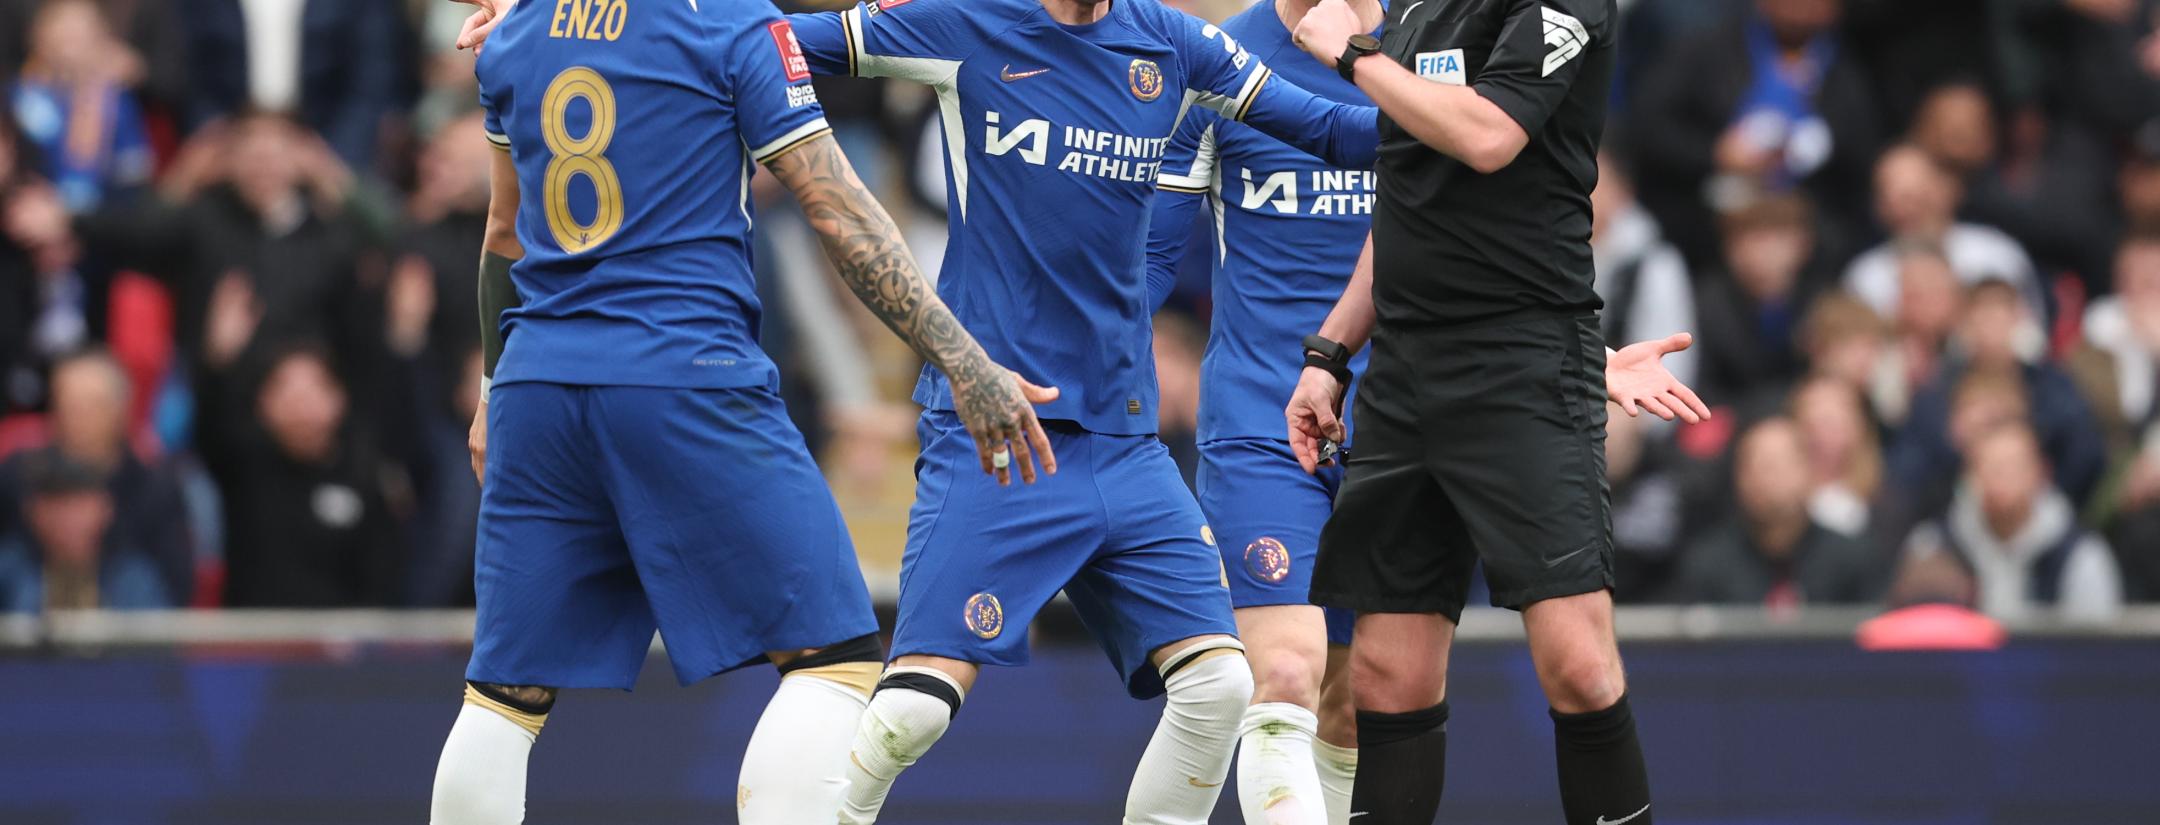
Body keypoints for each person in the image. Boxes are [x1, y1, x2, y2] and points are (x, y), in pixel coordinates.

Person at [429, 3, 1052, 824]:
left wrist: (490, 392)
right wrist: (966, 361)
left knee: (503, 692)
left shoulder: (515, 31)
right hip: (685, 379)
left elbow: (504, 233)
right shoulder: (731, 25)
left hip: (537, 388)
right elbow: (837, 209)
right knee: (835, 657)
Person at [1286, 2, 1707, 824]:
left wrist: (1353, 55)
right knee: (1385, 675)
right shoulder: (1411, 7)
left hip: (1523, 364)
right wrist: (1330, 354)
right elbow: (1406, 199)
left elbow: (1487, 137)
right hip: (1406, 373)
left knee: (1578, 663)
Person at [1141, 0, 1385, 818]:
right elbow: (1147, 258)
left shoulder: (1427, 49)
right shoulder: (1217, 60)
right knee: (1282, 675)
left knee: (1358, 702)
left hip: (1401, 423)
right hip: (1260, 416)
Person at [1898, 422, 2123, 623]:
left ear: (2040, 473)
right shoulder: (1931, 547)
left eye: (2014, 467)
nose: (2002, 478)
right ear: (1969, 476)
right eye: (1990, 467)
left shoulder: (2079, 555)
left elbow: (2095, 651)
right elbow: (1914, 642)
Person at [1674, 416, 1881, 607]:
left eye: (1772, 466)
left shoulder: (1852, 560)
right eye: (1750, 467)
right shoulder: (1709, 563)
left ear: (1808, 471)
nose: (1760, 479)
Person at [0, 448, 166, 612]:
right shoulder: (10, 572)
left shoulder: (133, 577)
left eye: (80, 505)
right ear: (33, 512)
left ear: (106, 509)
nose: (70, 520)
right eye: (59, 505)